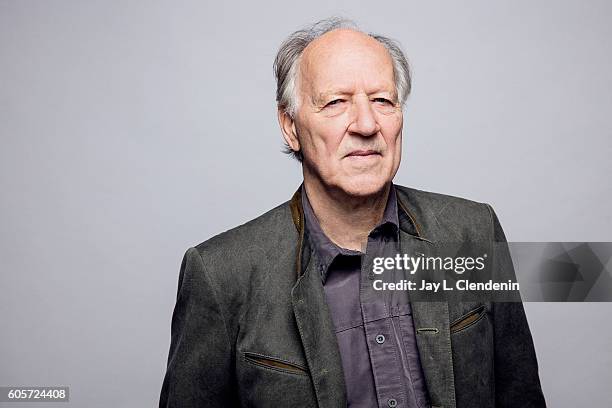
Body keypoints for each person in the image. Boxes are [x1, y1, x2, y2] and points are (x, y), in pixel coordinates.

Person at [159, 17, 546, 408]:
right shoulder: (222, 275)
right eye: (336, 102)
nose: (365, 124)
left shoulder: (471, 232)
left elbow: (522, 394)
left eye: (382, 100)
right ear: (290, 125)